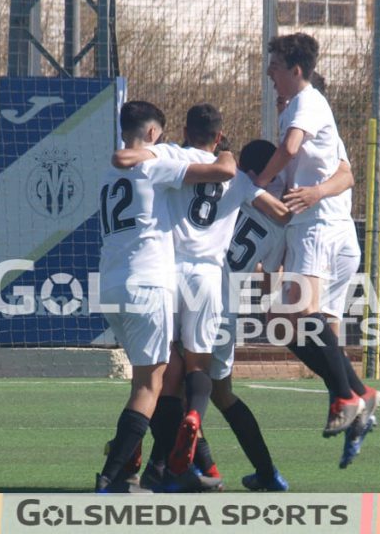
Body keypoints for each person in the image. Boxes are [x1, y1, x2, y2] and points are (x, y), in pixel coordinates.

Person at [113, 104, 291, 492]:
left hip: (170, 275)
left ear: (184, 129)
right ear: (220, 135)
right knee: (211, 384)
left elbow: (138, 164)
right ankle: (201, 448)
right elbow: (278, 215)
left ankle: (166, 464)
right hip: (216, 290)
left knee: (162, 377)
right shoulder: (244, 186)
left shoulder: (176, 158)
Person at [94, 100, 237, 493]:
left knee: (166, 373)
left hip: (109, 286)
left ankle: (175, 467)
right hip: (148, 283)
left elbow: (124, 157)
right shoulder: (156, 163)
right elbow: (223, 169)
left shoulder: (108, 173)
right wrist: (225, 150)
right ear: (155, 134)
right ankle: (113, 474)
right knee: (150, 385)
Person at [254, 32, 380, 441]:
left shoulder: (306, 105)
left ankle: (349, 396)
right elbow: (345, 172)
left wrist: (259, 181)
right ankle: (356, 395)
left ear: (295, 70)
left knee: (292, 321)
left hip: (319, 232)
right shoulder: (311, 113)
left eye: (275, 66)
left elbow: (290, 148)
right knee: (314, 327)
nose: (269, 74)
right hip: (334, 232)